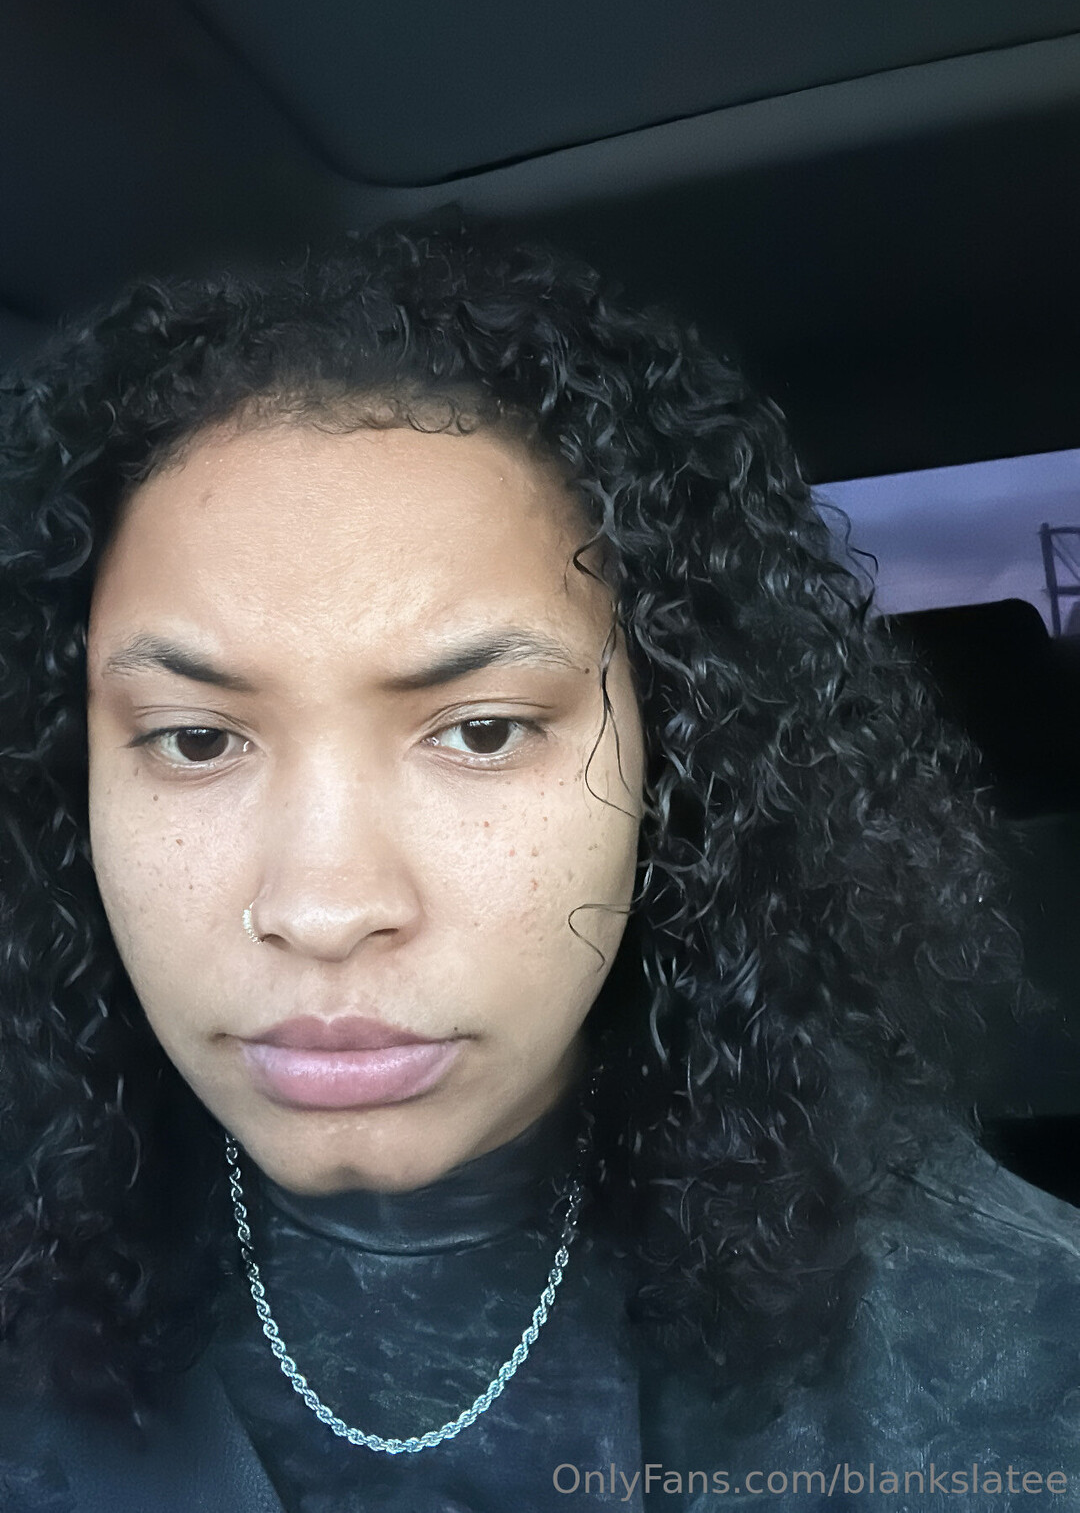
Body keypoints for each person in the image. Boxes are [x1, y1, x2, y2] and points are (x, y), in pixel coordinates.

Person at [0, 222, 1077, 1513]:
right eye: (194, 739)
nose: (324, 907)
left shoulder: (1003, 1351)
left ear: (675, 762)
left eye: (483, 732)